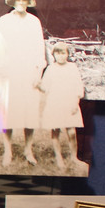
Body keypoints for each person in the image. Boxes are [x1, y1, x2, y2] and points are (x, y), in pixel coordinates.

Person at [0, 0, 47, 167]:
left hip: (28, 71)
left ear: (28, 2)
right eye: (18, 0)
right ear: (13, 2)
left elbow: (39, 47)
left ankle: (27, 150)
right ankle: (7, 150)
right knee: (8, 112)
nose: (21, 3)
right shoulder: (4, 21)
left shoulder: (33, 21)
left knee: (29, 112)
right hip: (9, 70)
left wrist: (38, 72)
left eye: (24, 0)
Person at [39, 42, 85, 170]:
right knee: (55, 130)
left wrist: (76, 102)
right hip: (55, 103)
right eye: (57, 53)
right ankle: (58, 157)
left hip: (69, 102)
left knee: (71, 132)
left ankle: (74, 157)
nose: (61, 56)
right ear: (54, 55)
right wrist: (38, 85)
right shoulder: (51, 69)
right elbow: (45, 87)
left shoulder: (72, 67)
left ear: (67, 54)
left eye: (63, 53)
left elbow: (78, 86)